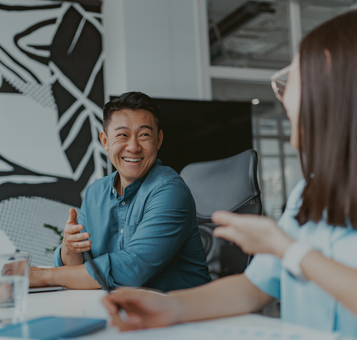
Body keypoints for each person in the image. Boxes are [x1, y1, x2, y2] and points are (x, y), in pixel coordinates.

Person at [102, 11, 357, 337]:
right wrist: (170, 307)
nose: (282, 91)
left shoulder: (168, 188)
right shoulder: (308, 194)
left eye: (295, 75)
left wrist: (288, 248)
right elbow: (255, 287)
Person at [29, 92, 211, 291]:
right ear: (105, 141)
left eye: (144, 135)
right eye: (122, 135)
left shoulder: (170, 190)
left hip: (183, 312)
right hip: (124, 310)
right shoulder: (95, 193)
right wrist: (70, 248)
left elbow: (133, 269)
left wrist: (43, 275)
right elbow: (82, 272)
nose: (133, 147)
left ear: (158, 140)